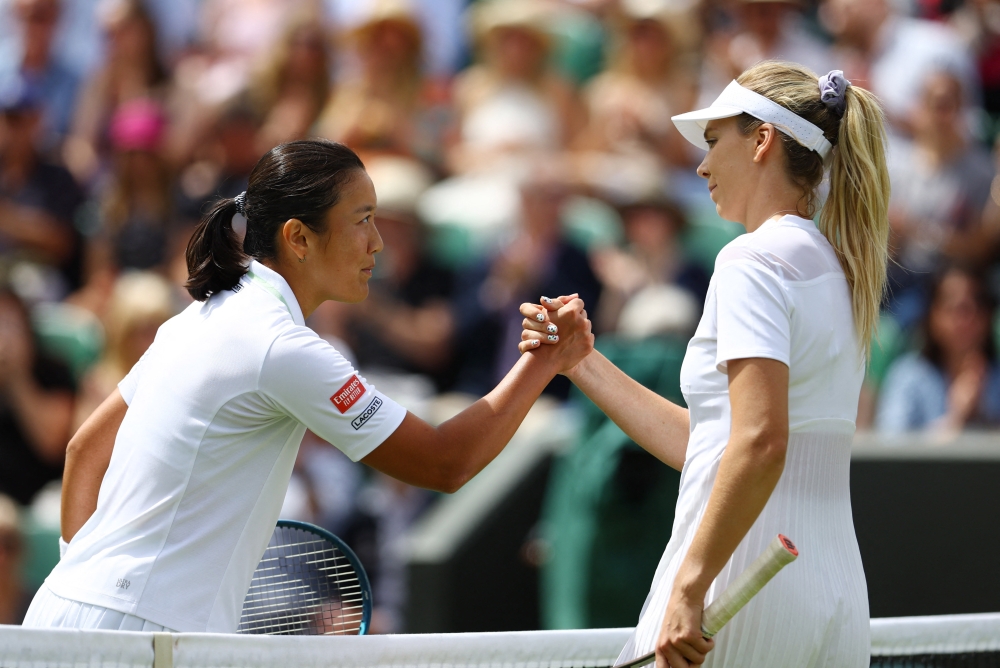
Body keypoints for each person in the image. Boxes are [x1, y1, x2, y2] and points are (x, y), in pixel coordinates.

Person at [22, 139, 593, 634]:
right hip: (140, 634)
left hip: (61, 615)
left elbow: (84, 451)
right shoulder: (281, 347)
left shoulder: (194, 318)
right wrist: (544, 361)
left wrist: (87, 578)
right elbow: (446, 463)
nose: (378, 243)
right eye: (362, 219)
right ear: (299, 237)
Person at [523, 62, 888, 667]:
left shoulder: (750, 261)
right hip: (834, 591)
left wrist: (689, 587)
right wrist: (582, 362)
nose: (702, 166)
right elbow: (721, 443)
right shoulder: (839, 269)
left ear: (763, 140)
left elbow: (758, 443)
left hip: (738, 585)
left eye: (715, 142)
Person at [876, 266, 1000, 433]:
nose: (966, 319)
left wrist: (980, 414)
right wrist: (956, 415)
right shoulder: (907, 376)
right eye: (954, 308)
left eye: (976, 306)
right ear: (932, 316)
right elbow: (889, 447)